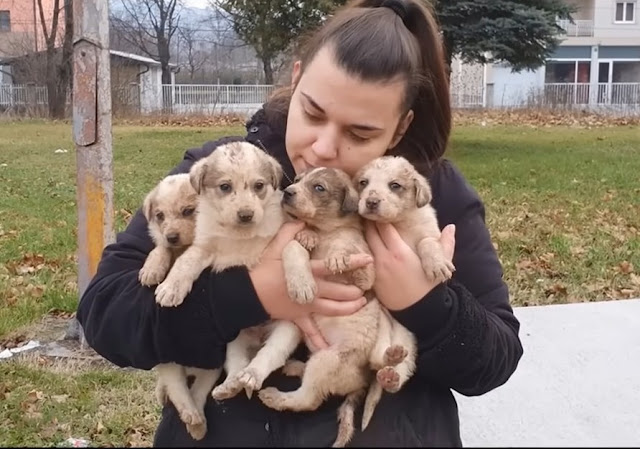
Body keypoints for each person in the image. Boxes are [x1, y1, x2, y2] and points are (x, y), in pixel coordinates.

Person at [76, 0, 524, 446]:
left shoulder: (432, 193)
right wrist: (246, 294)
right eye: (312, 112)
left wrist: (426, 304)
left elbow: (496, 359)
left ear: (401, 127)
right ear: (295, 81)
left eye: (360, 133)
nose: (325, 147)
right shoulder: (218, 172)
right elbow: (105, 313)